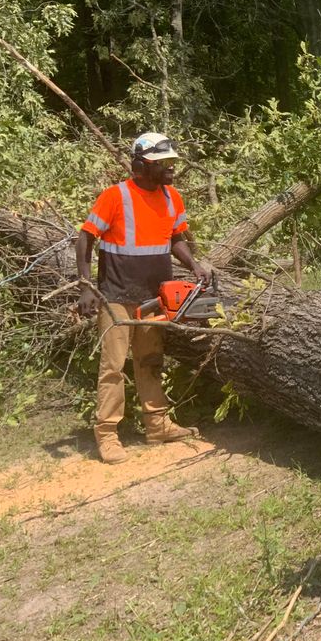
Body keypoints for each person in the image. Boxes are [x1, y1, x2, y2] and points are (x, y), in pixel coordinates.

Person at [76, 132, 216, 464]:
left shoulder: (172, 198)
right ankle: (107, 434)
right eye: (163, 163)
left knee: (151, 360)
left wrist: (195, 264)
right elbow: (85, 239)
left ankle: (157, 424)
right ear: (140, 165)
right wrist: (85, 287)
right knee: (113, 366)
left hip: (154, 297)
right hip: (115, 295)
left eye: (171, 163)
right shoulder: (115, 196)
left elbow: (176, 238)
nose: (171, 169)